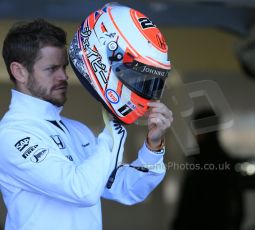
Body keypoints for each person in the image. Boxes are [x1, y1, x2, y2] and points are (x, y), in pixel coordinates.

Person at [0, 3, 173, 230]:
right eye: (52, 69)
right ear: (19, 71)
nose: (63, 77)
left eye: (64, 67)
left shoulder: (78, 131)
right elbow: (81, 190)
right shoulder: (10, 136)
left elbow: (126, 189)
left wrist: (153, 145)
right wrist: (115, 123)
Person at [171, 108, 244, 230]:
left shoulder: (198, 160)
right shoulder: (225, 161)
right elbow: (237, 202)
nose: (195, 134)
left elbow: (188, 198)